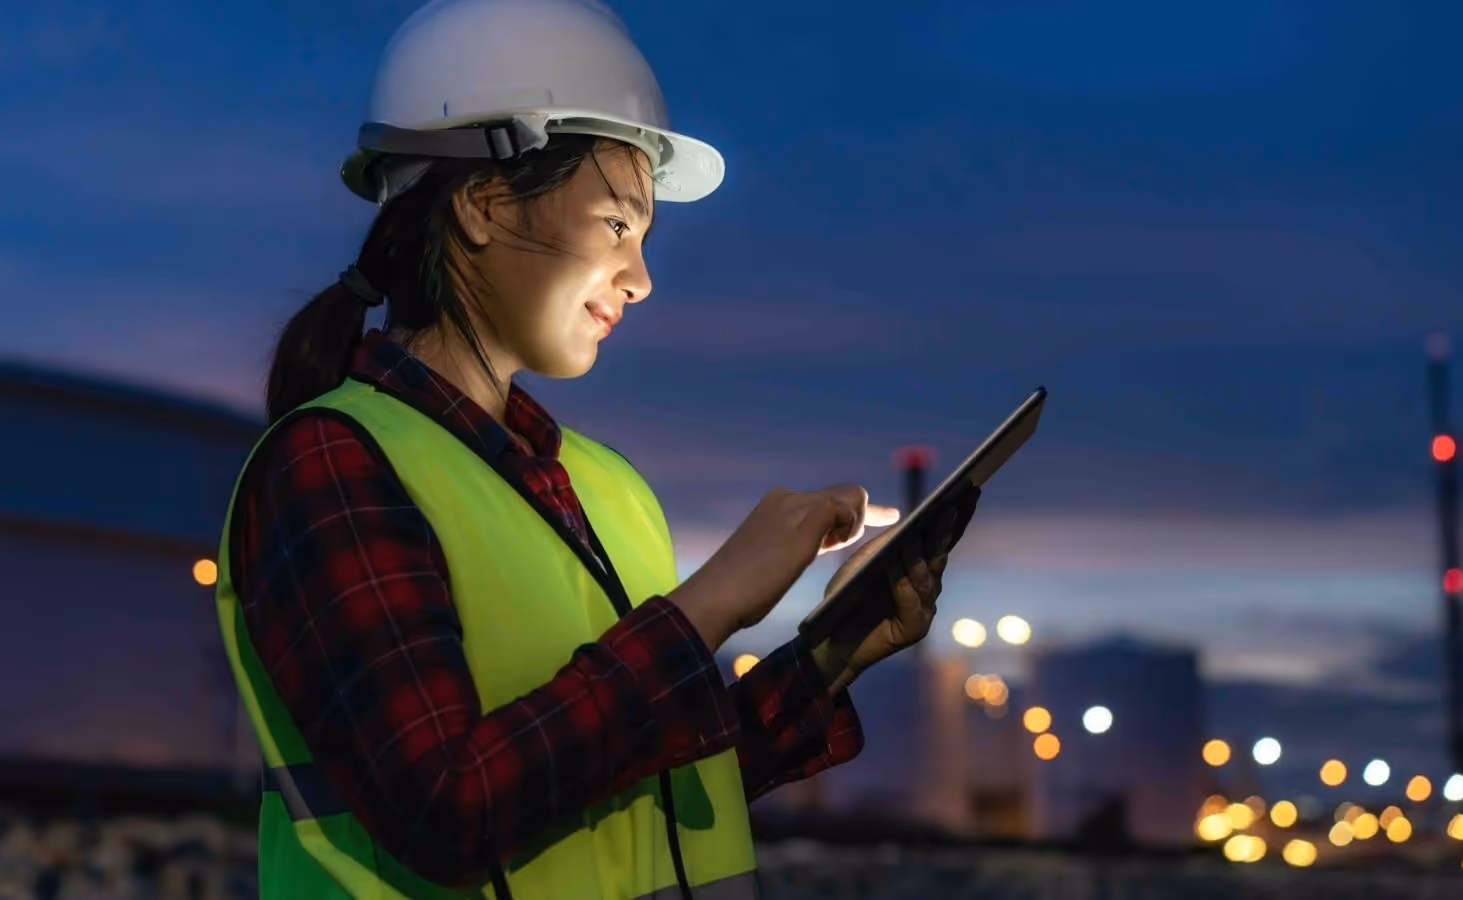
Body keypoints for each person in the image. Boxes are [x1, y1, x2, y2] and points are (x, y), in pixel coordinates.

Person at [213, 1, 981, 898]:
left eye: (645, 239)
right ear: (483, 205)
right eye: (618, 226)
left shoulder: (607, 487)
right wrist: (712, 603)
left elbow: (643, 792)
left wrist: (826, 659)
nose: (643, 278)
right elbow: (445, 809)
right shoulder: (333, 466)